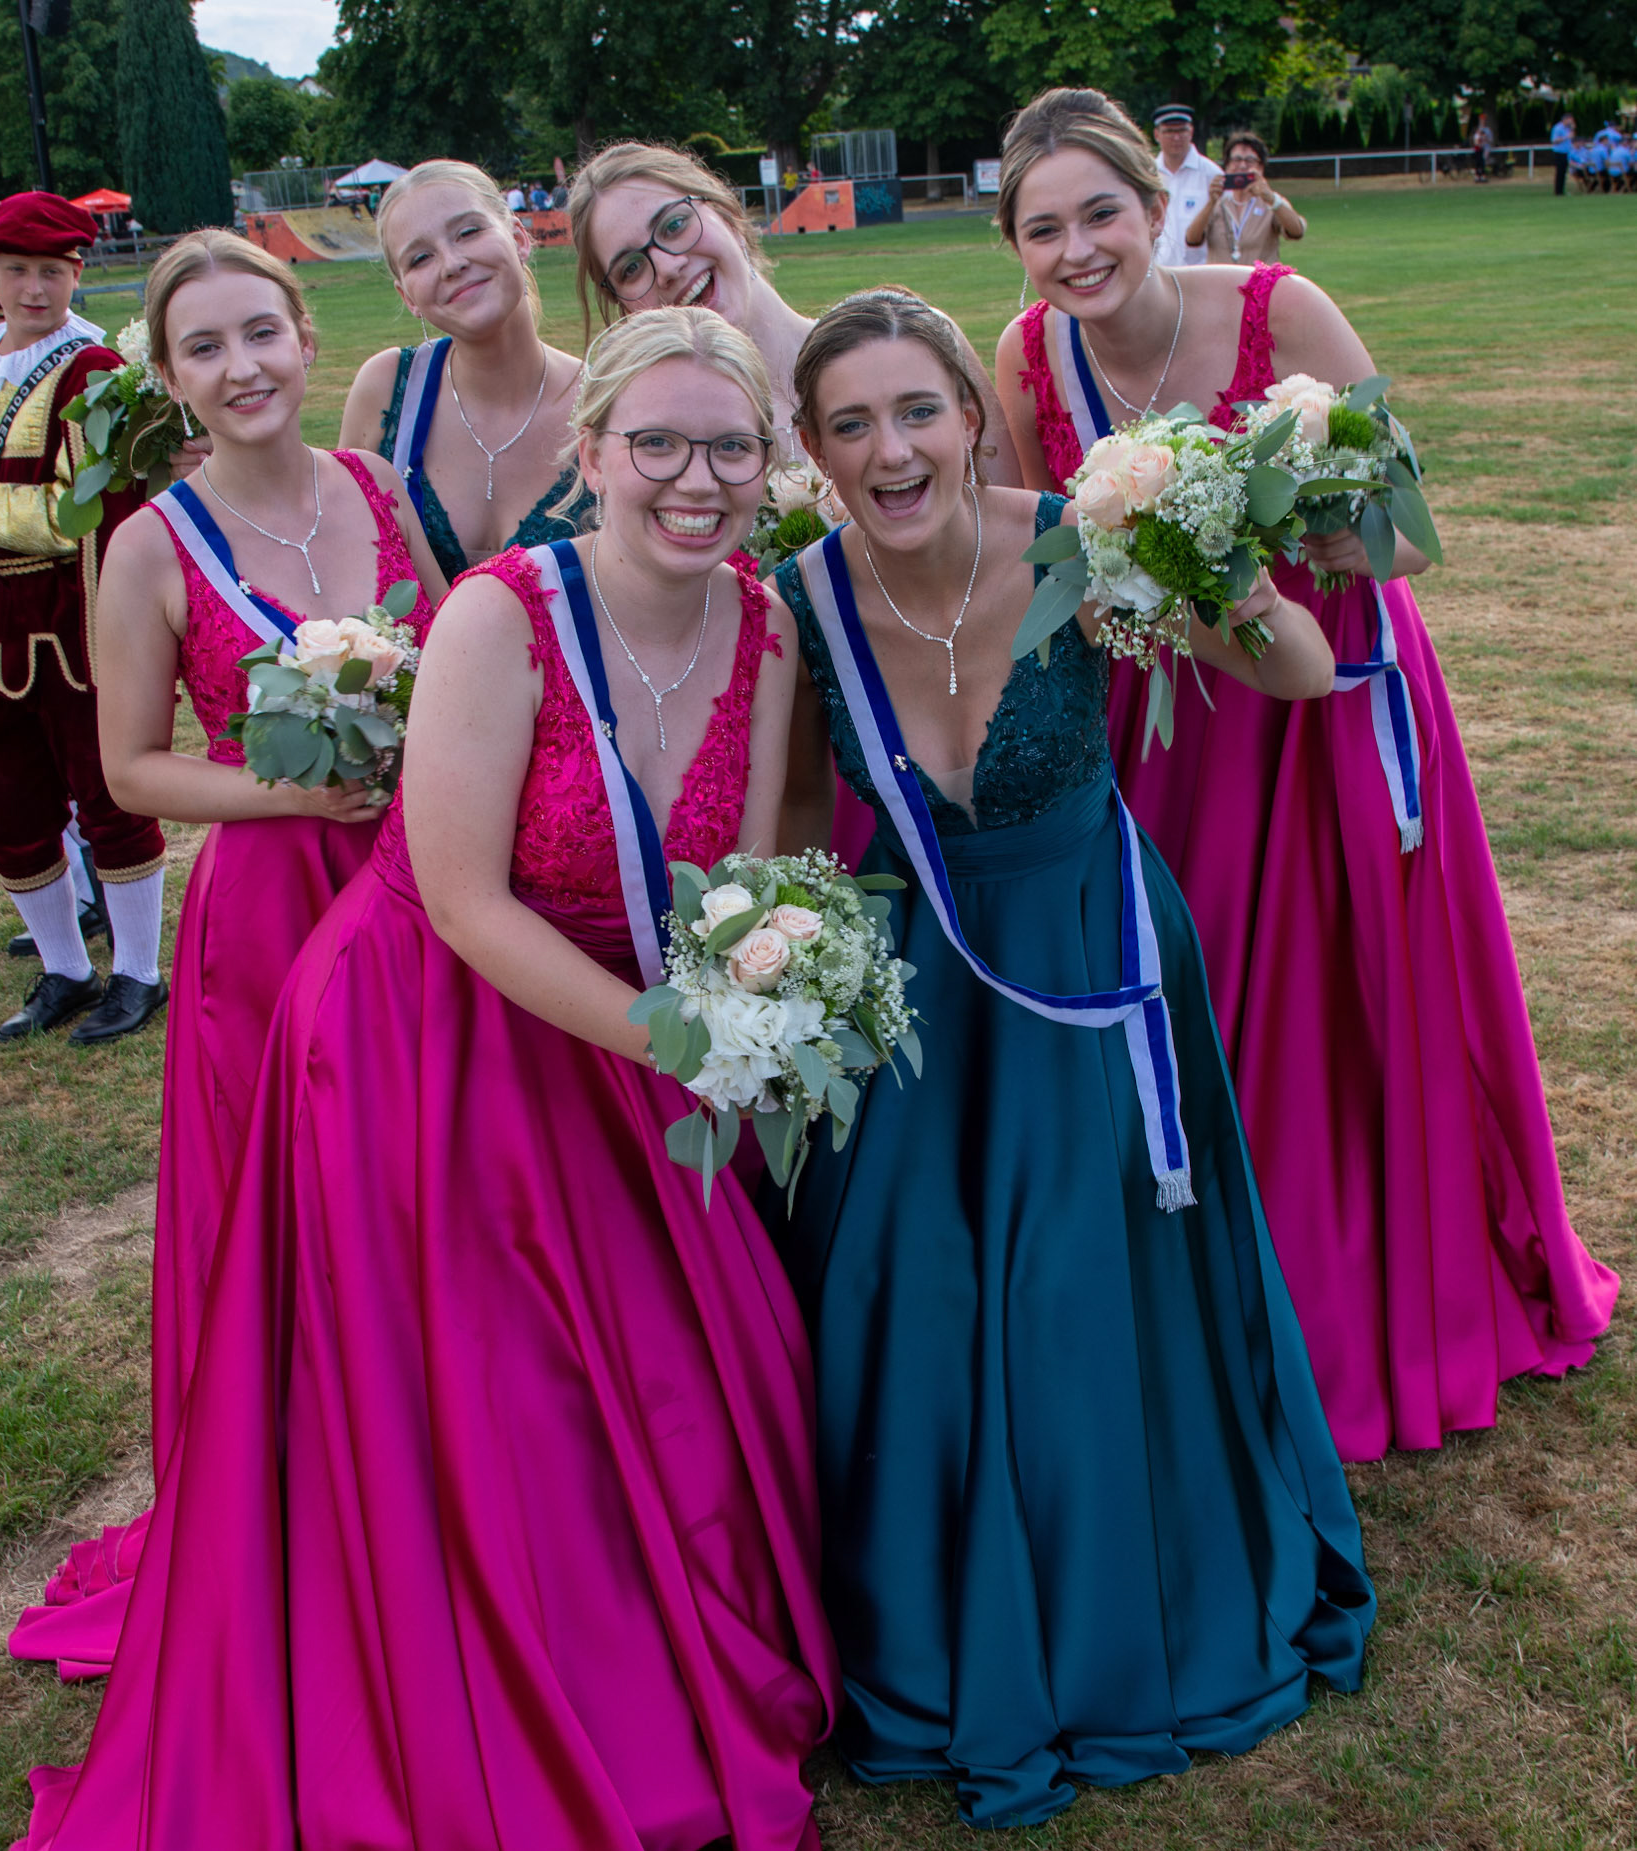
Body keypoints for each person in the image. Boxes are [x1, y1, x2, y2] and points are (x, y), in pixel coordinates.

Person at [5, 305, 839, 1851]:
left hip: (616, 1035)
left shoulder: (765, 628)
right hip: (420, 1046)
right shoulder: (500, 613)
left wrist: (770, 993)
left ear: (766, 464)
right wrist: (681, 1047)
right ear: (593, 454)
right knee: (481, 1402)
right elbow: (458, 899)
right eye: (657, 442)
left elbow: (750, 873)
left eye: (728, 446)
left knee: (686, 1373)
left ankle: (660, 1666)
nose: (694, 478)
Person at [769, 286, 1373, 1827]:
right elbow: (793, 830)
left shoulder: (1071, 542)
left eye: (918, 411)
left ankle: (1127, 1597)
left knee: (1076, 1284)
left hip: (1093, 959)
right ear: (814, 451)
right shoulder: (798, 601)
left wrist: (1198, 551)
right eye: (851, 424)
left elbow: (1297, 672)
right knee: (914, 1282)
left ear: (973, 417)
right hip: (923, 979)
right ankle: (930, 1616)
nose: (891, 450)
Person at [994, 86, 1619, 1461]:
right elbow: (1042, 545)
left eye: (1099, 213)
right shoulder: (1026, 356)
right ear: (1015, 247)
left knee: (1352, 984)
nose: (1076, 249)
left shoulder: (1283, 312)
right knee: (1211, 980)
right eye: (1042, 230)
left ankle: (1372, 1294)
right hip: (1176, 717)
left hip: (1326, 699)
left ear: (1153, 206)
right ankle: (1221, 1289)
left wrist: (1350, 542)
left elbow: (1410, 532)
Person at [7, 231, 445, 1682]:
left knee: (426, 1175)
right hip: (272, 905)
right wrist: (294, 792)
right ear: (170, 377)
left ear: (306, 336)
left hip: (424, 879)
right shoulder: (148, 543)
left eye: (261, 331)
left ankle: (442, 1457)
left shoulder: (378, 490)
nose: (242, 366)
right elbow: (131, 768)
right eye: (204, 347)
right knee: (303, 1201)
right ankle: (316, 1488)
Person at [0, 192, 167, 1043]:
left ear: (76, 273)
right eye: (16, 269)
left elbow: (80, 514)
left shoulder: (92, 370)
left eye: (52, 271)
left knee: (110, 798)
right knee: (4, 808)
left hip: (77, 628)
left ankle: (138, 974)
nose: (33, 289)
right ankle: (66, 968)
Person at [569, 141, 1021, 481]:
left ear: (725, 214)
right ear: (624, 306)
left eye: (674, 225)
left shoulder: (920, 342)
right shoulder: (659, 451)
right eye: (631, 268)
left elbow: (1015, 529)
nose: (667, 268)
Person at [340, 159, 587, 582]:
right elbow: (341, 561)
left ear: (519, 238)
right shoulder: (385, 391)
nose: (452, 263)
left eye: (468, 232)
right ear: (407, 296)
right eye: (421, 258)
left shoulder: (605, 400)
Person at [1187, 130, 1305, 265]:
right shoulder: (1217, 204)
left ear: (1261, 167)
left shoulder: (1272, 203)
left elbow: (1296, 232)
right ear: (1227, 165)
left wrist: (1271, 199)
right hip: (1222, 278)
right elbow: (1192, 239)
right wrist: (1211, 202)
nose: (1242, 166)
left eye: (1250, 160)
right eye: (1236, 160)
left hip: (1259, 278)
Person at [1150, 102, 1212, 266]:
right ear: (1157, 134)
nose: (1176, 137)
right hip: (1159, 270)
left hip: (1200, 271)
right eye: (1169, 131)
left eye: (1182, 130)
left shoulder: (1211, 174)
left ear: (1191, 131)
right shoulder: (1148, 174)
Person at [1552, 110, 1576, 195]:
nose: (1572, 122)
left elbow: (1572, 137)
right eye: (1570, 120)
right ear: (1565, 119)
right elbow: (1554, 141)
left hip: (1566, 152)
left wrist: (1572, 129)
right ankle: (1558, 191)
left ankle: (1561, 190)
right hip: (1559, 152)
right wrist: (1566, 137)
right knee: (1560, 171)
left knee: (1564, 172)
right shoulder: (1558, 128)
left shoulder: (1568, 128)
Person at [1472, 110, 1495, 182]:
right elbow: (1476, 140)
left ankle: (1482, 175)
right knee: (1478, 162)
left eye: (1483, 120)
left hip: (1485, 148)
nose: (1482, 121)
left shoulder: (1488, 130)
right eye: (1481, 120)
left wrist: (1485, 139)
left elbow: (1490, 140)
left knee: (1483, 161)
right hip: (1479, 148)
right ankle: (1478, 175)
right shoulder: (1478, 130)